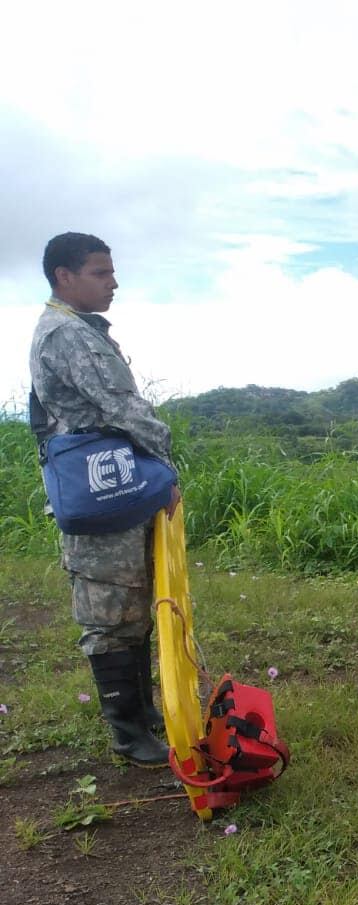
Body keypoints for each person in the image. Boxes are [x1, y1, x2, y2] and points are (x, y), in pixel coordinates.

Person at [29, 232, 179, 768]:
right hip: (99, 486)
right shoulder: (66, 334)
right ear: (64, 277)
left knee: (133, 605)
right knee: (110, 609)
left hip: (111, 482)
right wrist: (166, 469)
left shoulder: (76, 330)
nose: (113, 281)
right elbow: (122, 408)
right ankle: (129, 732)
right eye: (100, 272)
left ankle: (144, 717)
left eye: (112, 271)